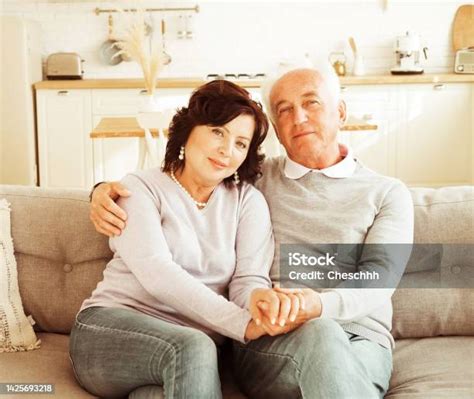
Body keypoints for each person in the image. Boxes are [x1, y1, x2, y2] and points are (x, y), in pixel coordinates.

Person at [90, 63, 414, 398]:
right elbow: (185, 183)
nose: (298, 118)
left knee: (326, 337)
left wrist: (317, 305)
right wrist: (101, 190)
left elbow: (380, 276)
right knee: (321, 335)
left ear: (341, 112)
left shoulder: (388, 192)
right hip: (273, 342)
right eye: (284, 110)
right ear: (275, 127)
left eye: (311, 103)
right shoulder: (254, 180)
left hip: (361, 338)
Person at [70, 79, 298, 399]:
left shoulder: (248, 202)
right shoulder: (140, 188)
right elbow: (157, 273)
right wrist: (242, 324)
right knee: (192, 346)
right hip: (110, 331)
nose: (226, 150)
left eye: (240, 143)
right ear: (189, 130)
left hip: (188, 356)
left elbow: (247, 279)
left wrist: (259, 302)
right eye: (217, 131)